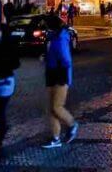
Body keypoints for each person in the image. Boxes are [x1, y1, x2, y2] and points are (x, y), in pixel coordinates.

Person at [42, 14, 78, 148]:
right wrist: (46, 57)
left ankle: (72, 124)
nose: (45, 27)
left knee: (57, 107)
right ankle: (55, 138)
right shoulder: (53, 37)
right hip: (52, 74)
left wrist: (63, 76)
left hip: (60, 77)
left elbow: (65, 59)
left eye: (46, 25)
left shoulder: (60, 38)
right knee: (51, 109)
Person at [0, 29, 21, 155]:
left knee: (0, 110)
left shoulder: (9, 45)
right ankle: (3, 126)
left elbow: (16, 63)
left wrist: (3, 65)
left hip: (6, 81)